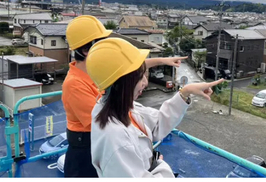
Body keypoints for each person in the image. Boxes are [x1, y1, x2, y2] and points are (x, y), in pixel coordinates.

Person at [62, 16, 186, 177]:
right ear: (86, 50)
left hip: (98, 145)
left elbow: (125, 70)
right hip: (85, 153)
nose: (105, 45)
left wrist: (162, 60)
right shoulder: (74, 85)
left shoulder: (98, 72)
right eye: (100, 41)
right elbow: (105, 122)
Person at [86, 38, 222, 177]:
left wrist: (186, 92)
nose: (145, 82)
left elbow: (158, 123)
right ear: (122, 83)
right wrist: (159, 165)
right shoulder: (116, 140)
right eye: (139, 78)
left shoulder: (119, 107)